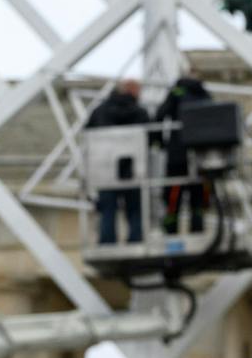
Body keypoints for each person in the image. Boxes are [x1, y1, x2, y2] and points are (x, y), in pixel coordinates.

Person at [84, 78, 149, 244]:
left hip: (105, 167)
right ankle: (135, 239)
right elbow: (151, 137)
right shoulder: (139, 112)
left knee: (107, 209)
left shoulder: (100, 111)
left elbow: (88, 134)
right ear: (133, 91)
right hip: (133, 167)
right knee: (134, 209)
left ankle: (107, 241)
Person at [154, 76, 211, 234]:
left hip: (177, 154)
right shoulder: (204, 94)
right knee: (199, 195)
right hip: (201, 154)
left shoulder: (176, 93)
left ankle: (171, 231)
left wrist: (160, 142)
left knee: (173, 193)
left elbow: (160, 115)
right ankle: (198, 228)